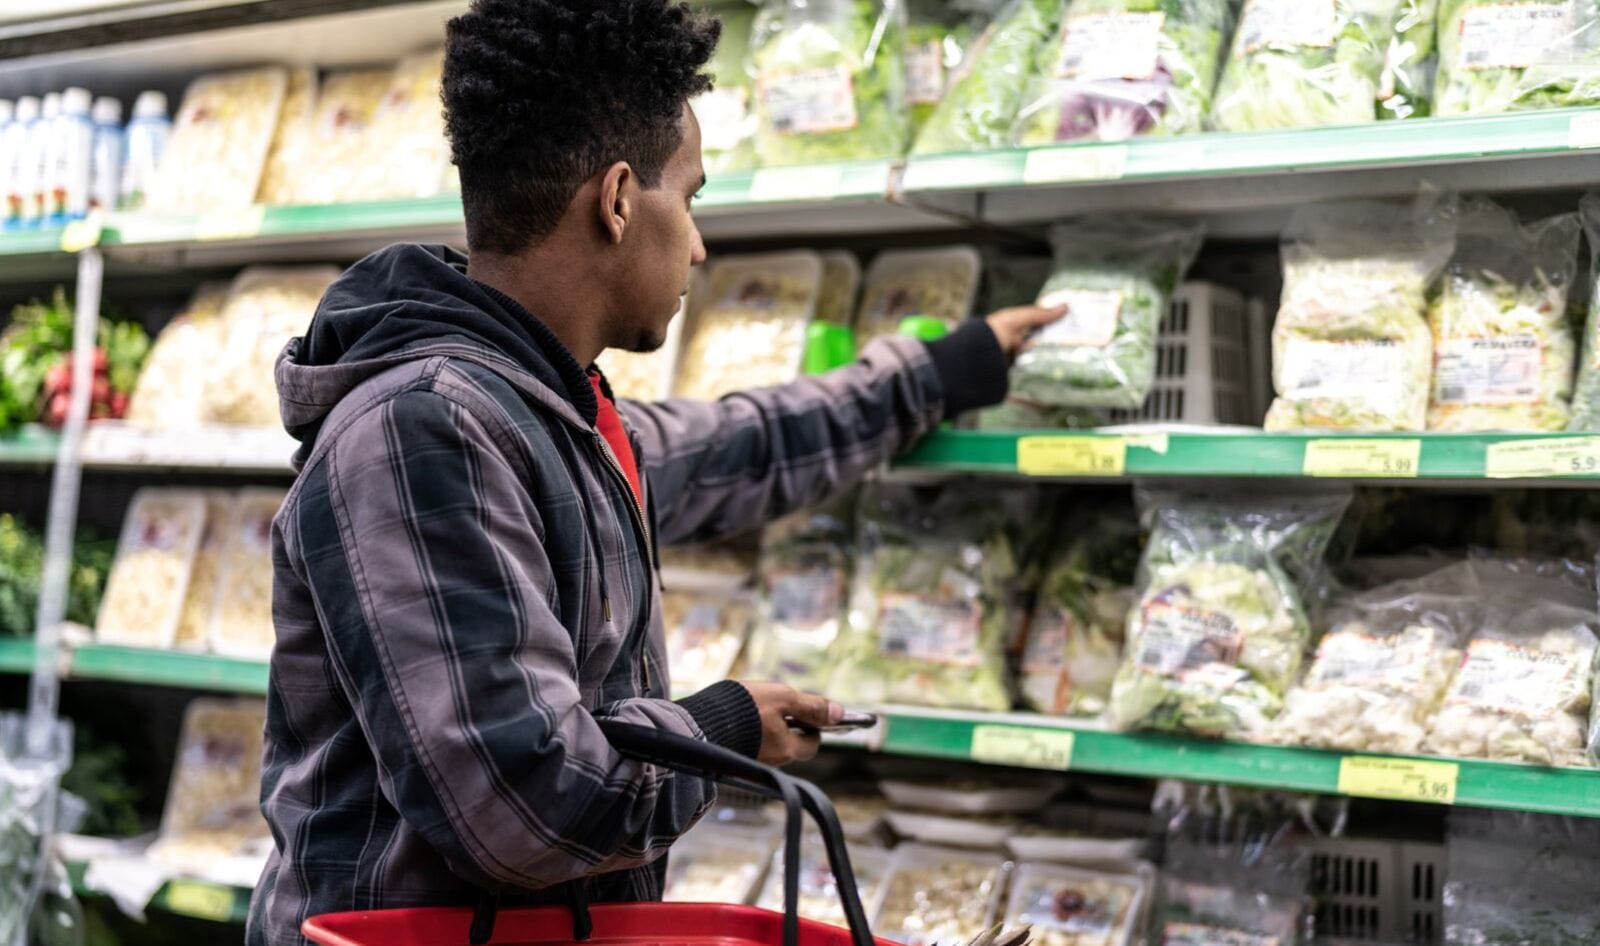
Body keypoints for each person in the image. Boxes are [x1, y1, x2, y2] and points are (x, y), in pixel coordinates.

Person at [246, 2, 1062, 943]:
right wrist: (723, 727)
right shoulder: (422, 428)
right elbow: (520, 802)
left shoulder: (553, 415)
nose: (701, 246)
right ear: (622, 199)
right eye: (695, 198)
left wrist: (945, 370)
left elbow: (741, 446)